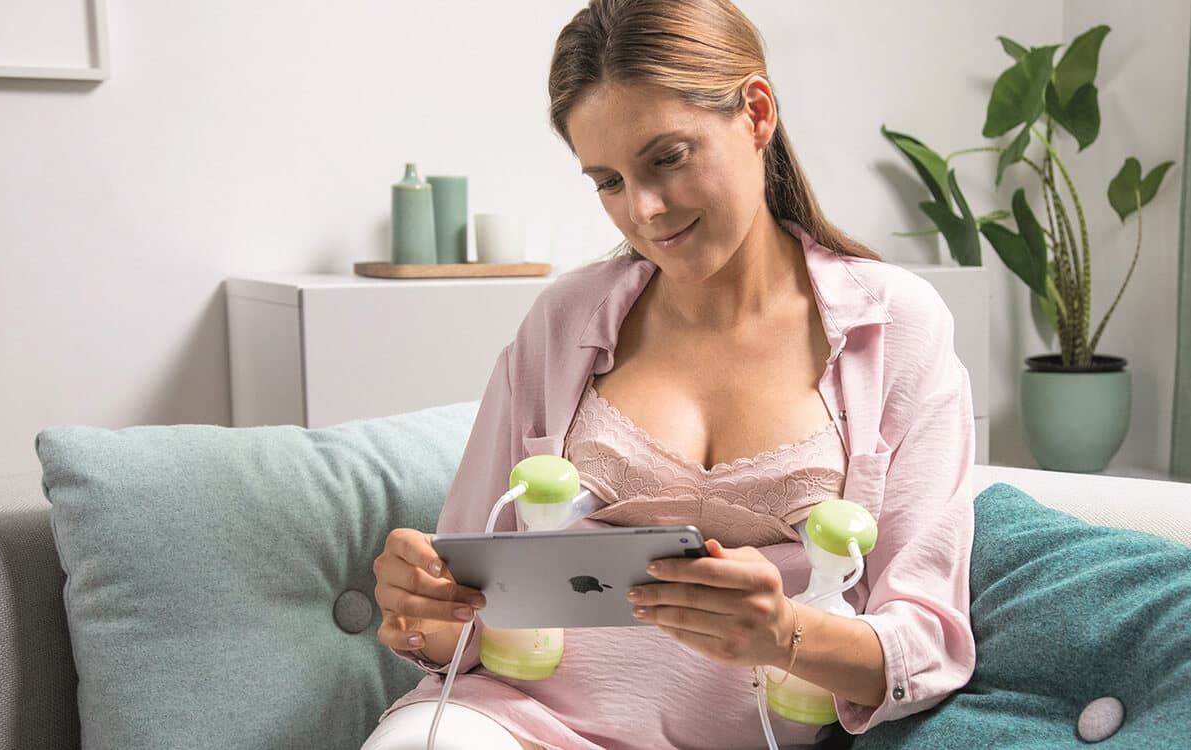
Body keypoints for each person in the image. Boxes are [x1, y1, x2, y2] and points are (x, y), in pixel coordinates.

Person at [362, 1, 976, 747]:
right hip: (511, 723)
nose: (644, 211)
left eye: (668, 158)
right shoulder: (564, 323)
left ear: (756, 113)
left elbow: (930, 644)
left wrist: (786, 635)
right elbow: (465, 597)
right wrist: (420, 609)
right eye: (608, 181)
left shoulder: (895, 329)